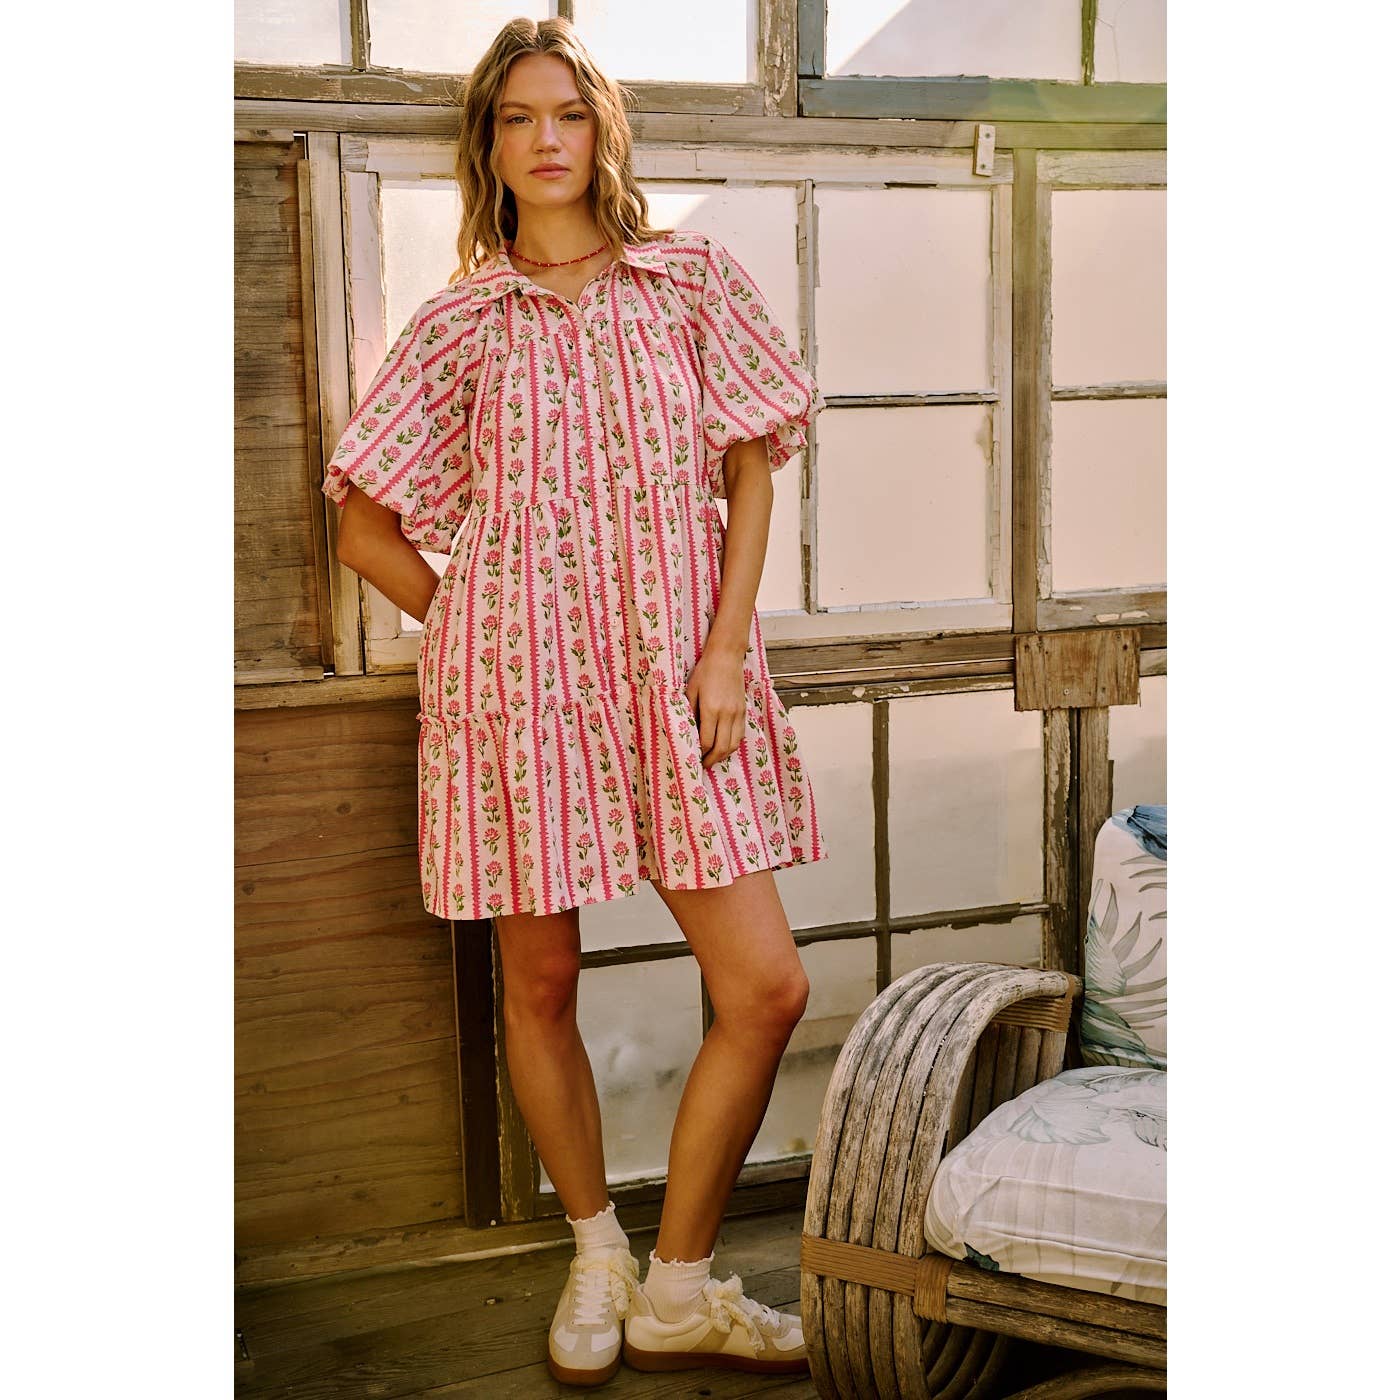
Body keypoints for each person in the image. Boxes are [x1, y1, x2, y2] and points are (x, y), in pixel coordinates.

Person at [321, 16, 826, 1387]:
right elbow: (363, 524)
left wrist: (723, 652)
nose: (546, 139)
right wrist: (482, 623)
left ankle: (681, 1286)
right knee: (540, 980)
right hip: (518, 695)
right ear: (487, 147)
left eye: (569, 114)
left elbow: (750, 468)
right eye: (516, 118)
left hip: (679, 681)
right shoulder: (461, 321)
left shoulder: (688, 282)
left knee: (766, 987)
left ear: (604, 132)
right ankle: (599, 1256)